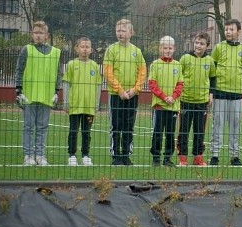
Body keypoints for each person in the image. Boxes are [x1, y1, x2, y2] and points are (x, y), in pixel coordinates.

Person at [14, 21, 62, 166]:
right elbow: (19, 70)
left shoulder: (55, 52)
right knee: (28, 127)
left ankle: (40, 155)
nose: (38, 35)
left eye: (41, 33)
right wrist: (19, 90)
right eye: (36, 33)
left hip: (46, 97)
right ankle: (28, 156)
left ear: (47, 36)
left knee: (42, 127)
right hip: (29, 96)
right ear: (32, 34)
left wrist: (56, 92)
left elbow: (58, 74)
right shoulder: (26, 49)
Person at [103, 18, 146, 166]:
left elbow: (142, 72)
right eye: (118, 30)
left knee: (129, 126)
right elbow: (108, 72)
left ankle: (126, 154)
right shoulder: (111, 50)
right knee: (116, 125)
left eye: (123, 30)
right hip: (116, 95)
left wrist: (135, 90)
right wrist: (120, 90)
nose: (120, 33)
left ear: (131, 32)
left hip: (132, 95)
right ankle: (116, 156)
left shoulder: (137, 51)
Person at [209, 19, 242, 166]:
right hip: (220, 91)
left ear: (238, 32)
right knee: (217, 124)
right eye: (226, 29)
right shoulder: (218, 48)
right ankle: (214, 154)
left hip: (236, 94)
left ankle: (234, 155)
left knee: (235, 125)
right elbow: (212, 70)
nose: (228, 32)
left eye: (231, 29)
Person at [178, 32, 215, 166]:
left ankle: (198, 157)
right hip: (186, 101)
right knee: (184, 130)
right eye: (197, 43)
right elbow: (178, 78)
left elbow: (213, 78)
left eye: (202, 44)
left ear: (207, 46)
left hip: (202, 102)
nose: (198, 46)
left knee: (199, 131)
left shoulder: (209, 61)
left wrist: (211, 94)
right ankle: (182, 157)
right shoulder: (185, 58)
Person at [63, 37, 99, 166]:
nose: (85, 49)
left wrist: (97, 104)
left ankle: (85, 155)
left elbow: (98, 85)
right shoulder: (71, 64)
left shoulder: (94, 65)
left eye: (87, 47)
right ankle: (72, 155)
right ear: (76, 48)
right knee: (73, 131)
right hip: (75, 105)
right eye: (82, 46)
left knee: (86, 132)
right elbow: (66, 83)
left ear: (91, 49)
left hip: (89, 106)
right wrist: (66, 101)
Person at [148, 36, 183, 167]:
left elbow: (180, 84)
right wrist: (164, 97)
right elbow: (152, 84)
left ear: (174, 49)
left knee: (170, 134)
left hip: (173, 106)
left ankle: (168, 158)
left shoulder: (177, 65)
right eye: (165, 48)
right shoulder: (155, 64)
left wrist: (173, 97)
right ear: (160, 49)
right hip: (159, 106)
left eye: (170, 48)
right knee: (157, 133)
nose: (167, 50)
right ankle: (156, 157)